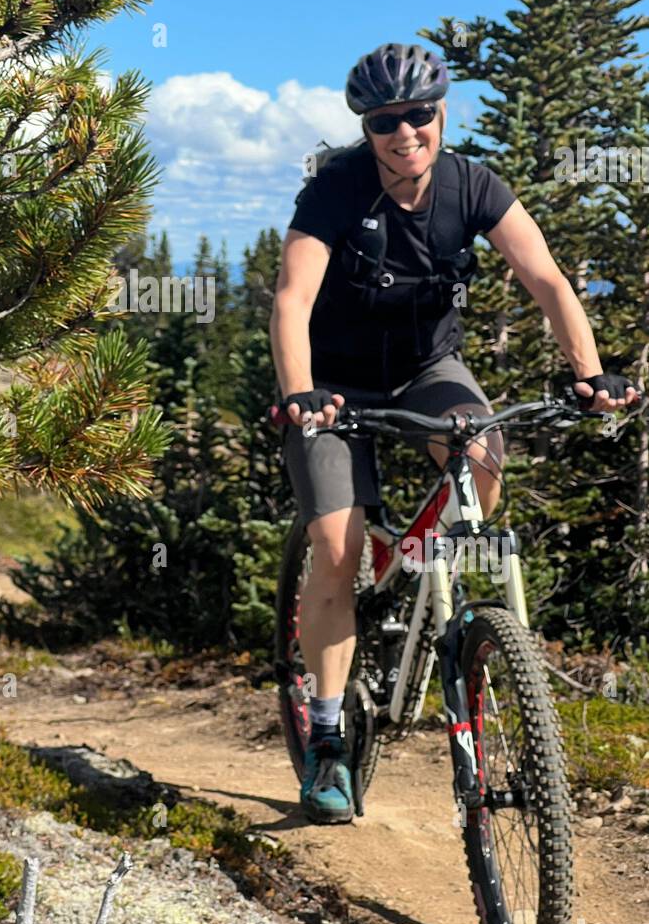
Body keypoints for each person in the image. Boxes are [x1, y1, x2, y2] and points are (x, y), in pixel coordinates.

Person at [269, 42, 640, 825]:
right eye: (384, 123)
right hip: (332, 388)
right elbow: (292, 299)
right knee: (335, 551)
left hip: (423, 369)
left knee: (481, 452)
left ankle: (415, 565)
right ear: (365, 130)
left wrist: (589, 371)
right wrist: (300, 394)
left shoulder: (473, 184)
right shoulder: (334, 190)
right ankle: (329, 740)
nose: (405, 133)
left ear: (441, 112)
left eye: (419, 115)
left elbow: (544, 277)